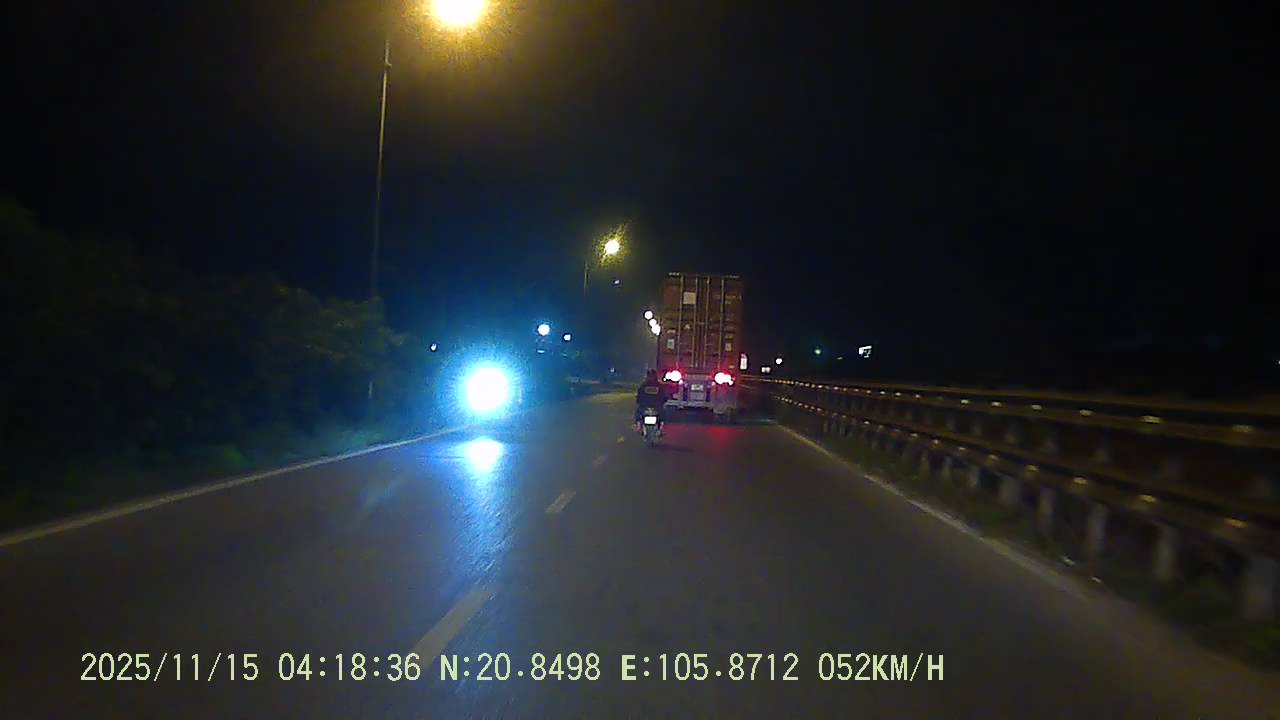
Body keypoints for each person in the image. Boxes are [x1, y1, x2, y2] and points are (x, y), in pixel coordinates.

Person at [634, 369, 667, 433]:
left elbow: (639, 397)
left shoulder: (643, 385)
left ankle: (638, 426)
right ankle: (660, 428)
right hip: (656, 406)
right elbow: (664, 397)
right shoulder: (660, 386)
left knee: (638, 414)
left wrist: (639, 401)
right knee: (662, 416)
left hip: (645, 406)